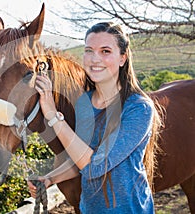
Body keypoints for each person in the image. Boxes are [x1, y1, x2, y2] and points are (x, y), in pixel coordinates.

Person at [28, 22, 161, 213]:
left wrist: (52, 115)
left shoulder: (138, 108)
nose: (94, 59)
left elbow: (96, 167)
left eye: (105, 51)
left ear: (122, 58)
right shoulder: (85, 103)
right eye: (89, 50)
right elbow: (80, 159)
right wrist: (51, 178)